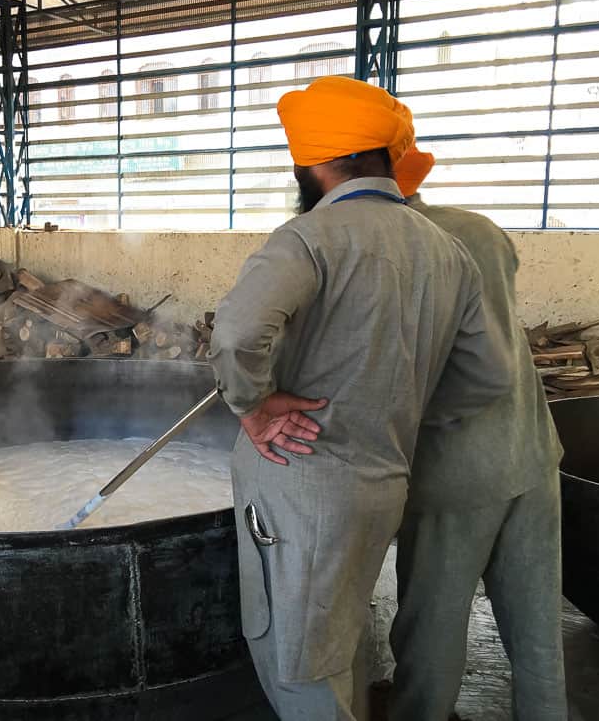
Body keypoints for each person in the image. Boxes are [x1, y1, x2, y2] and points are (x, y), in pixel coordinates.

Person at [207, 75, 515, 720]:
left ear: (316, 163)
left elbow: (237, 334)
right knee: (340, 637)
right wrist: (395, 407)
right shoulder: (447, 251)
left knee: (297, 666)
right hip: (384, 481)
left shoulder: (309, 239)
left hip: (301, 483)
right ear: (383, 159)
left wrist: (255, 406)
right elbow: (489, 375)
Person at [387, 147, 567, 721]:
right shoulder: (481, 230)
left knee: (431, 625)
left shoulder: (389, 248)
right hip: (532, 454)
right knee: (537, 625)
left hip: (454, 474)